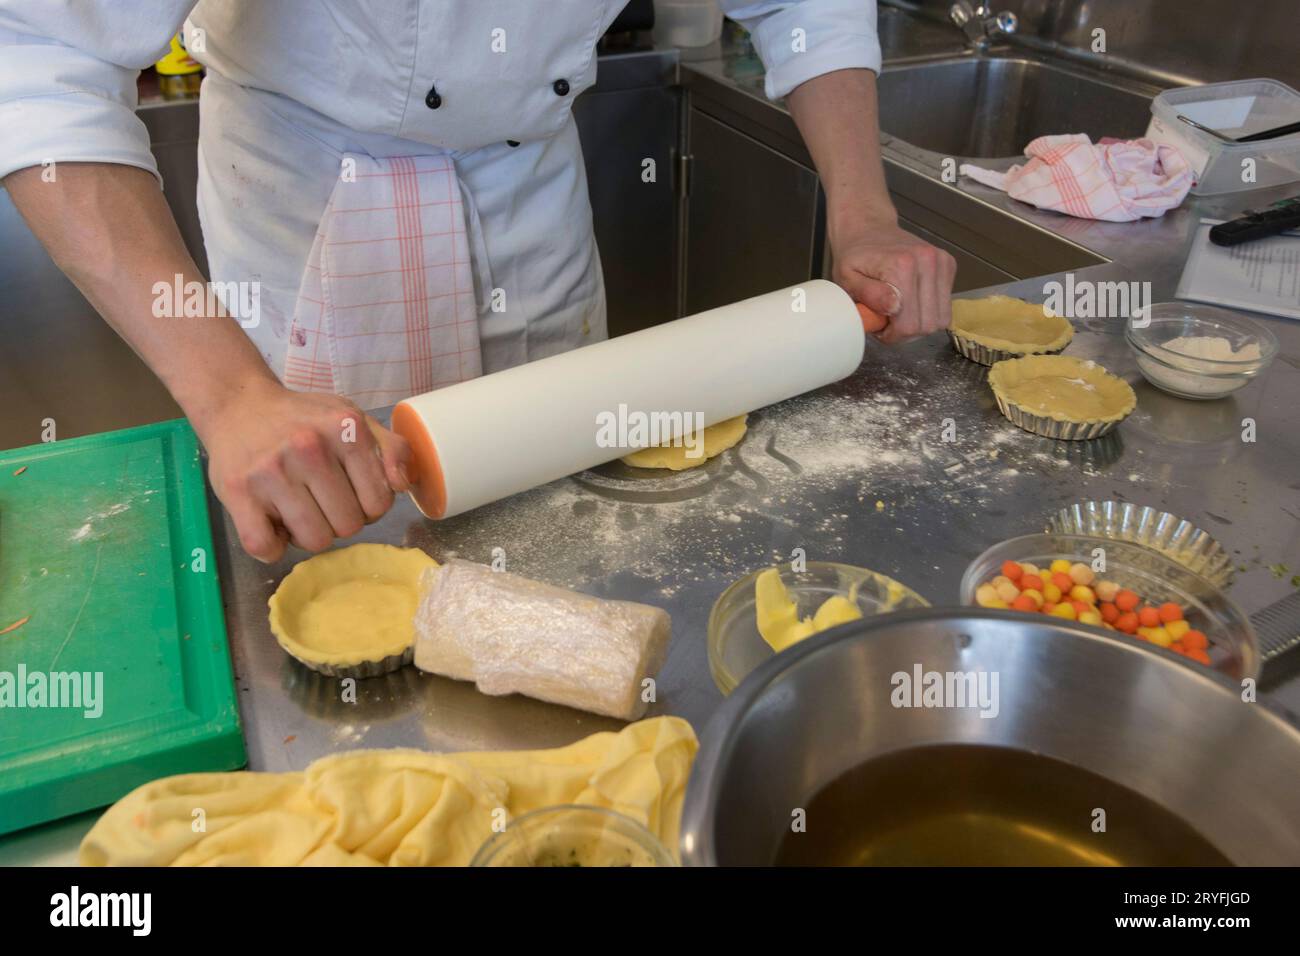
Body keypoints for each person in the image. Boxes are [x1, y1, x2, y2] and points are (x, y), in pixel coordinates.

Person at [0, 1, 956, 562]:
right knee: (344, 552)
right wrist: (234, 395)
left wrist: (864, 215)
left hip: (529, 200)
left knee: (570, 535)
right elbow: (43, 57)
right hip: (311, 207)